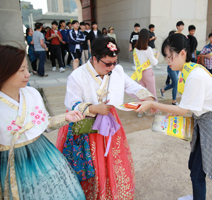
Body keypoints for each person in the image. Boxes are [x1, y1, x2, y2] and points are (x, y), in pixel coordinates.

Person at [136, 33, 212, 200]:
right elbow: (186, 105)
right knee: (194, 166)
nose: (168, 61)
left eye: (170, 57)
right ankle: (196, 196)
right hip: (206, 124)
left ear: (182, 53)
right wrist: (171, 109)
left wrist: (152, 104)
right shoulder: (191, 70)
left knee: (197, 174)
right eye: (166, 58)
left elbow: (182, 110)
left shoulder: (194, 75)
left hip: (210, 127)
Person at [62, 36, 155, 199]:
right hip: (86, 125)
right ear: (94, 58)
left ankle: (111, 192)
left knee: (113, 159)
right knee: (91, 163)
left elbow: (131, 86)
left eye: (115, 62)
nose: (112, 67)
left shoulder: (116, 71)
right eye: (107, 63)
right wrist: (93, 108)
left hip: (109, 121)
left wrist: (149, 98)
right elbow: (72, 103)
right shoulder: (77, 76)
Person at [0, 44, 86, 199]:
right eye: (21, 70)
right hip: (10, 162)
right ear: (4, 72)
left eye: (26, 68)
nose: (27, 74)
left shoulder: (31, 93)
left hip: (42, 151)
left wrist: (66, 117)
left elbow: (44, 123)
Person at [133, 28, 159, 117]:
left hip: (140, 73)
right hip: (148, 72)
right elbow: (154, 62)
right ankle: (156, 110)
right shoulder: (148, 49)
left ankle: (141, 111)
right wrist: (157, 57)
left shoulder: (135, 49)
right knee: (152, 93)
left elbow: (135, 62)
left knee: (141, 93)